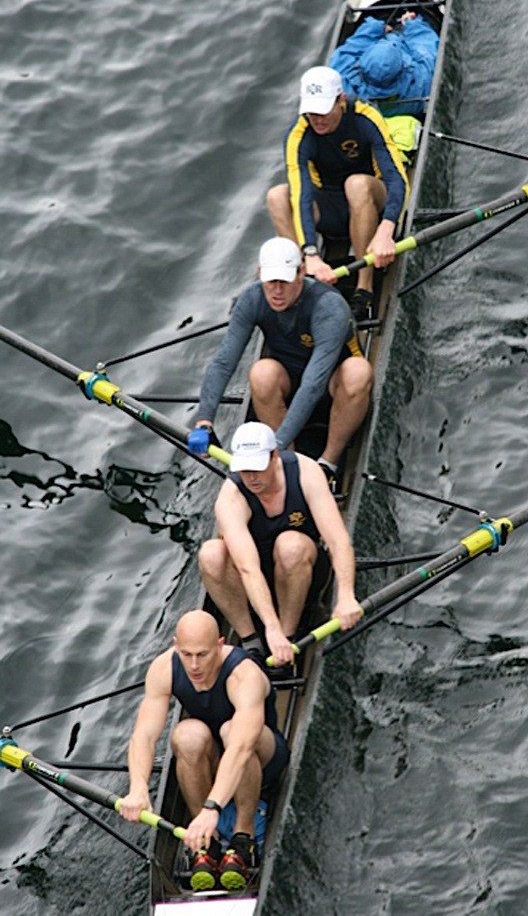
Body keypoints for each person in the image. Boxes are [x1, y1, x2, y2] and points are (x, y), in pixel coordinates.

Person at [119, 610, 289, 893]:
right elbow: (144, 736)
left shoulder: (243, 674)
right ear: (175, 645)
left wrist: (214, 806)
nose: (194, 665)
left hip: (263, 757)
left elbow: (241, 748)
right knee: (186, 735)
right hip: (213, 761)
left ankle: (242, 837)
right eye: (186, 655)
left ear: (220, 645)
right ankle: (202, 843)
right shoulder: (163, 669)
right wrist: (138, 788)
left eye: (203, 654)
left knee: (232, 732)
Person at [191, 236, 373, 488]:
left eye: (284, 282)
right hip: (290, 384)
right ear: (260, 273)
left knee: (358, 371)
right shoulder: (252, 299)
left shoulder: (328, 306)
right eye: (270, 281)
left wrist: (270, 447)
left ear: (301, 273)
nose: (276, 291)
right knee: (261, 374)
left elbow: (313, 385)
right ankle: (288, 463)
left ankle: (328, 463)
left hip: (332, 384)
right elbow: (223, 362)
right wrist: (204, 421)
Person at [198, 421, 363, 667]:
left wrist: (347, 595)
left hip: (303, 567)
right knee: (210, 554)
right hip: (256, 577)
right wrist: (269, 628)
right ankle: (251, 639)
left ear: (274, 456)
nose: (251, 478)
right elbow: (247, 569)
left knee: (290, 545)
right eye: (244, 470)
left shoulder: (306, 472)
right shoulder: (230, 498)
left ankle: (288, 638)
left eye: (256, 468)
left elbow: (338, 541)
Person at [266, 65, 409, 321]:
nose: (317, 120)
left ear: (341, 100)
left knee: (355, 184)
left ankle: (364, 287)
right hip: (331, 208)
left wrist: (387, 228)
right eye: (311, 113)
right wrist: (310, 251)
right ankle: (305, 279)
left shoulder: (365, 116)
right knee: (277, 196)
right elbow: (301, 196)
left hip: (371, 199)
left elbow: (397, 179)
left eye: (323, 112)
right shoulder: (299, 134)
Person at [329, 12, 439, 119]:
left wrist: (376, 27)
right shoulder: (420, 88)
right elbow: (427, 51)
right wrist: (412, 24)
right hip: (403, 39)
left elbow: (351, 48)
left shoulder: (343, 82)